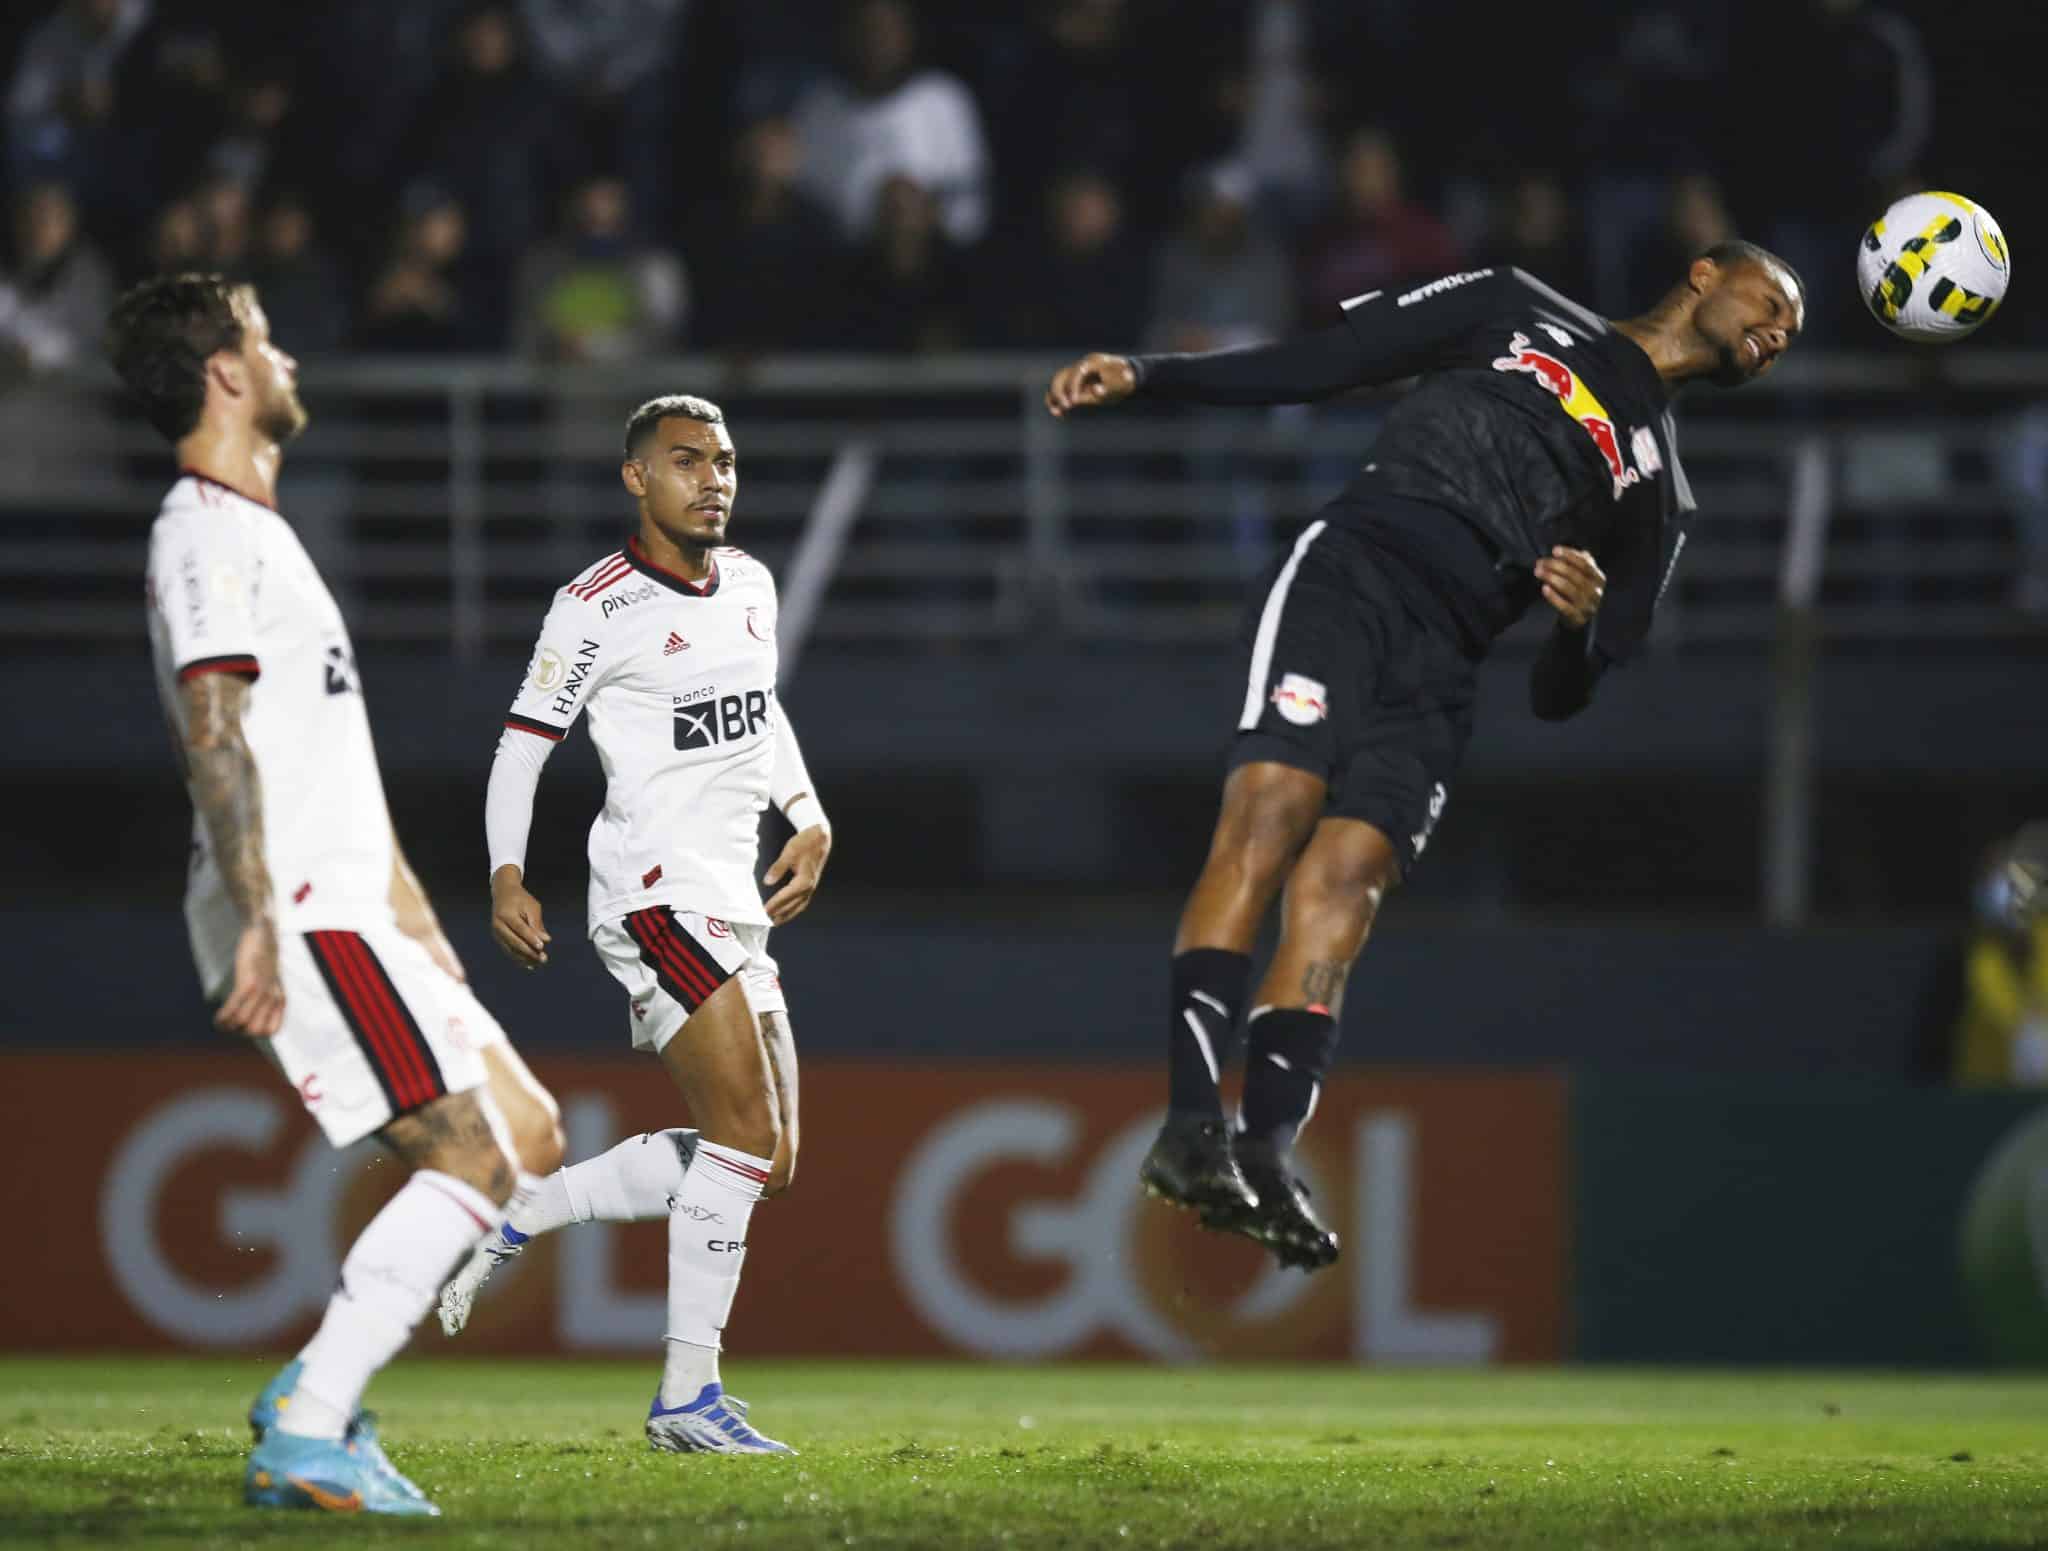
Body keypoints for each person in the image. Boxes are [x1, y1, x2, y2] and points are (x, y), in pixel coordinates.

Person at [1045, 243, 1804, 1269]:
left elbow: (1564, 696)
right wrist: (1150, 375)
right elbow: (1322, 362)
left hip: (1446, 661)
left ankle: (1263, 1151)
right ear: (1706, 272)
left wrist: (1575, 632)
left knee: (1345, 883)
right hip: (1353, 574)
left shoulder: (1658, 498)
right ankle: (1188, 1128)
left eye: (1791, 337)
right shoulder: (1515, 304)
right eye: (1773, 301)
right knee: (1269, 810)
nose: (1778, 332)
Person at [108, 273, 565, 1514]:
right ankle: (309, 1428)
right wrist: (260, 912)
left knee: (526, 1133)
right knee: (468, 1154)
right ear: (223, 372)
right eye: (264, 337)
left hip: (355, 898)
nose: (287, 355)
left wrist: (421, 926)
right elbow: (214, 728)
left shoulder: (258, 529)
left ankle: (309, 1398)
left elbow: (321, 757)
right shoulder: (198, 529)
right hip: (300, 904)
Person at [439, 394, 833, 1456]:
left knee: (768, 1157)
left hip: (734, 898)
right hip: (653, 895)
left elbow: (760, 708)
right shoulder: (593, 606)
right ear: (635, 479)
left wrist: (808, 813)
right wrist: (505, 873)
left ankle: (533, 1207)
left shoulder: (748, 582)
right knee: (747, 1139)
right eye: (686, 461)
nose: (713, 479)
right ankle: (684, 1398)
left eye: (725, 461)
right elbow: (522, 747)